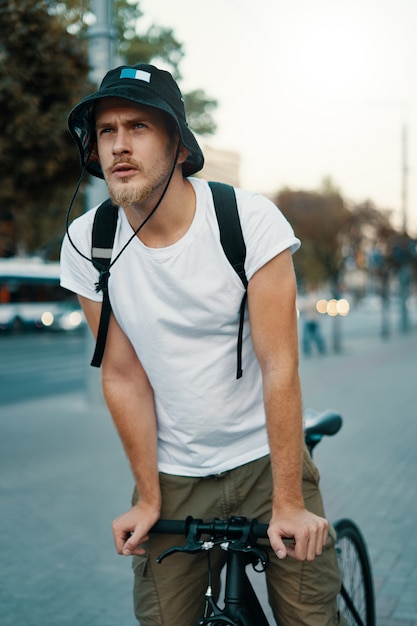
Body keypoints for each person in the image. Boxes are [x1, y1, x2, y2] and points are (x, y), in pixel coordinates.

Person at [60, 63, 343, 625]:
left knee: (309, 618)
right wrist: (146, 495)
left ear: (179, 148)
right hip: (174, 472)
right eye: (107, 130)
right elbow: (122, 375)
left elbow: (278, 362)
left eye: (138, 127)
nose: (118, 144)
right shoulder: (87, 242)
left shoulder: (245, 221)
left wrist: (289, 501)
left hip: (267, 462)